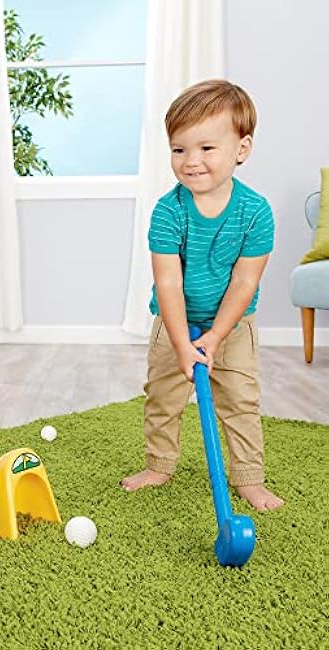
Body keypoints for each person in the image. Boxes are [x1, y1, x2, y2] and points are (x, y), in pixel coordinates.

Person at [121, 79, 284, 512]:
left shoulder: (256, 212)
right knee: (163, 398)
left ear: (241, 149)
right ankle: (159, 465)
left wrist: (214, 338)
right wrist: (182, 344)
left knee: (240, 402)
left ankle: (249, 478)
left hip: (234, 327)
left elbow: (244, 283)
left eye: (206, 148)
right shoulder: (168, 211)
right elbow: (168, 284)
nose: (191, 161)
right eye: (179, 149)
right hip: (173, 324)